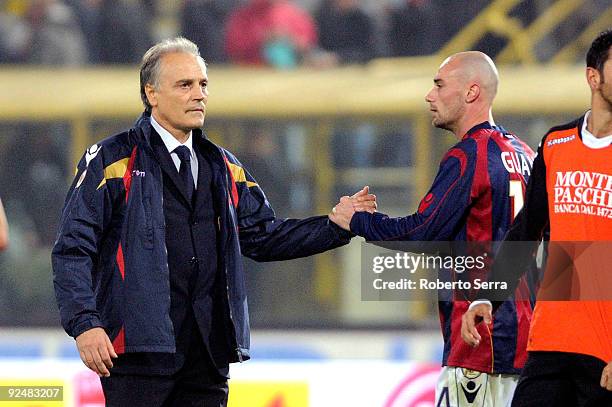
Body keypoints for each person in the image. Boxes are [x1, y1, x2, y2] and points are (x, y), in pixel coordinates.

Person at [51, 37, 376, 406]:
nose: (199, 94)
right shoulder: (111, 159)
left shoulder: (222, 165)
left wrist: (335, 227)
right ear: (152, 93)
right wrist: (85, 323)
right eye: (185, 85)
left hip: (208, 354)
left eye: (203, 84)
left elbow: (263, 236)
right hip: (137, 352)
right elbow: (73, 248)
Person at [329, 51, 537, 406]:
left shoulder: (470, 155)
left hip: (478, 344)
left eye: (439, 85)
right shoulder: (524, 153)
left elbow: (423, 232)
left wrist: (358, 220)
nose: (430, 95)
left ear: (471, 92)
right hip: (527, 340)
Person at [461, 29, 612, 406]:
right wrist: (487, 298)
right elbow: (528, 228)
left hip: (605, 349)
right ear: (593, 77)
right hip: (550, 342)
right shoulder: (556, 144)